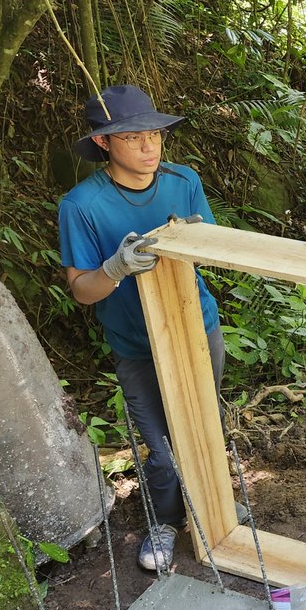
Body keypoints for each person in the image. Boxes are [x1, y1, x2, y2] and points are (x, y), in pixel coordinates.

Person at [59, 84, 226, 572]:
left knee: (203, 422)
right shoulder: (82, 205)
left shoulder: (183, 181)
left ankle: (212, 508)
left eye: (153, 133)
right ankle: (167, 520)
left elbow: (213, 249)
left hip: (198, 325)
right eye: (133, 137)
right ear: (105, 143)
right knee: (161, 443)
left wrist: (194, 241)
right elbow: (81, 289)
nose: (149, 146)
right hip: (136, 343)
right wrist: (114, 268)